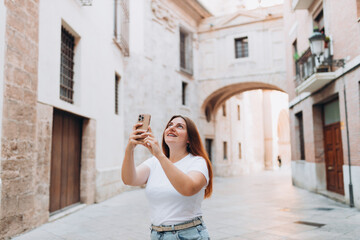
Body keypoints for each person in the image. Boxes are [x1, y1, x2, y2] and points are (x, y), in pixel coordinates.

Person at [122, 115, 213, 240]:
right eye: (170, 125)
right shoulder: (154, 162)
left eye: (179, 126)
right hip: (157, 234)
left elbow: (188, 188)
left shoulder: (198, 162)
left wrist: (159, 154)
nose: (172, 128)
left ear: (189, 139)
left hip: (188, 234)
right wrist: (130, 148)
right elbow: (129, 179)